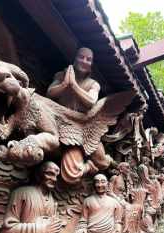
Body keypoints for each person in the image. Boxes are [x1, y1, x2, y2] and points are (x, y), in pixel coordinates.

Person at [0, 161, 82, 233]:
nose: (53, 179)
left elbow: (52, 231)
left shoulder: (52, 202)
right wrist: (40, 230)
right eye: (49, 174)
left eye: (56, 176)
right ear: (39, 175)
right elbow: (8, 229)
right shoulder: (22, 193)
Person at [47, 48, 114, 184]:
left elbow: (91, 101)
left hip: (80, 127)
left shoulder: (93, 84)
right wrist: (65, 84)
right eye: (81, 57)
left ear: (91, 64)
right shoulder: (61, 75)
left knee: (100, 162)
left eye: (88, 59)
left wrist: (73, 85)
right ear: (75, 58)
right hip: (58, 120)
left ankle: (93, 165)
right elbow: (50, 93)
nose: (84, 61)